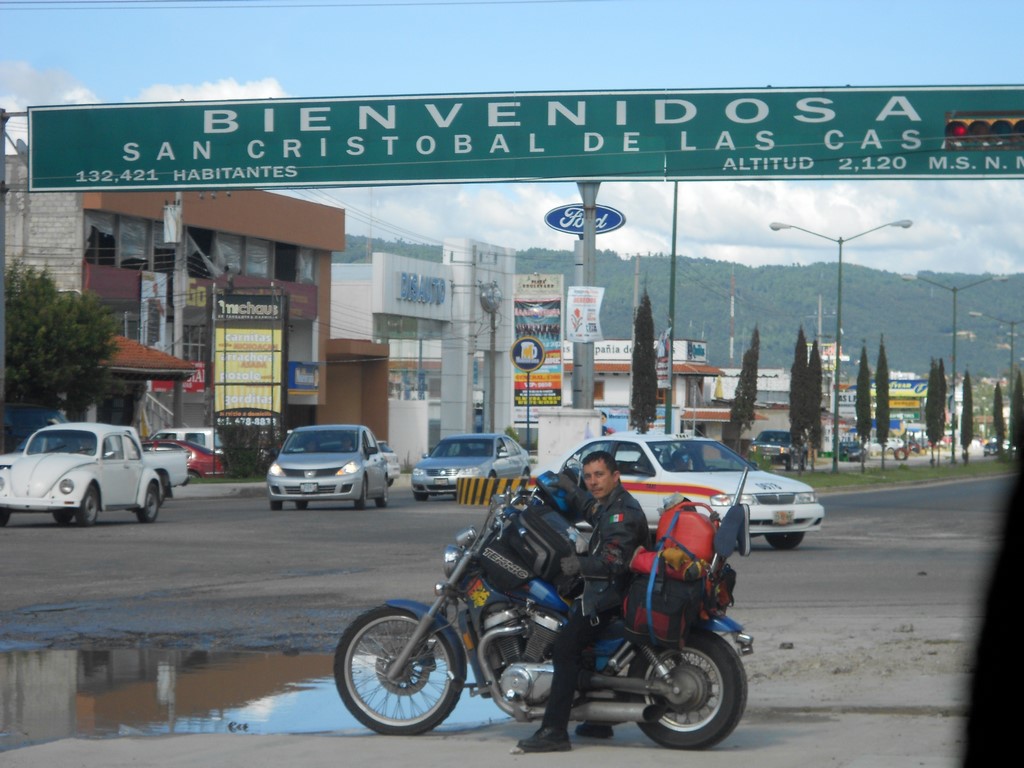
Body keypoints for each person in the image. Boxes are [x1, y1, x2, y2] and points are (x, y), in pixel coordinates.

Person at [515, 450, 651, 753]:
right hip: (609, 590)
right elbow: (591, 509)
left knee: (564, 649)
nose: (593, 482)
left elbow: (614, 561)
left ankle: (554, 732)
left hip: (611, 597)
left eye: (599, 475)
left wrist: (580, 566)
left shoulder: (623, 512)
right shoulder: (611, 504)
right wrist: (570, 489)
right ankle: (599, 721)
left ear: (615, 476)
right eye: (588, 476)